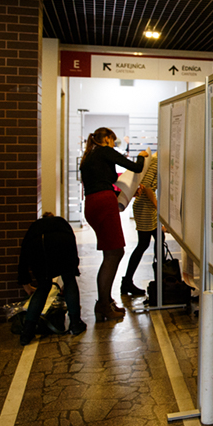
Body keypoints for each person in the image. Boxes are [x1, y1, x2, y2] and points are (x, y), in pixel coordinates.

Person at [80, 127, 148, 321]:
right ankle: (103, 305)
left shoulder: (89, 156)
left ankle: (106, 301)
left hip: (93, 204)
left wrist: (124, 193)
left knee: (110, 253)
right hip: (103, 203)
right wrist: (142, 156)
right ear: (108, 139)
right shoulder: (104, 151)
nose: (113, 144)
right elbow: (136, 167)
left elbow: (100, 182)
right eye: (113, 140)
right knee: (114, 253)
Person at [17, 212, 85, 345]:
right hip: (63, 243)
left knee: (44, 286)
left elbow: (23, 257)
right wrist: (73, 270)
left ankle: (27, 332)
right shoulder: (62, 224)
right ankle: (75, 323)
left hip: (39, 246)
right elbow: (73, 249)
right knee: (69, 280)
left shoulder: (35, 228)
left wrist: (26, 284)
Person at [120, 154, 158, 296]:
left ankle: (161, 280)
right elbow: (147, 186)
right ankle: (127, 281)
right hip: (145, 207)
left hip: (147, 206)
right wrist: (158, 208)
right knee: (143, 244)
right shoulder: (156, 161)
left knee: (157, 241)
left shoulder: (156, 160)